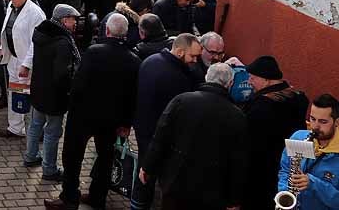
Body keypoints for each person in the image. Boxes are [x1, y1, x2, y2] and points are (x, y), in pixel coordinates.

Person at [45, 13, 140, 210]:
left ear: (107, 30)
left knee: (72, 157)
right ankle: (98, 197)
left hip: (83, 116)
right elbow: (133, 96)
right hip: (112, 120)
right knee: (105, 157)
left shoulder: (94, 52)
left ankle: (69, 197)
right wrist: (125, 124)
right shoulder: (134, 60)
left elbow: (79, 83)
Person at [139, 63, 247, 210]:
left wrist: (147, 167)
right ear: (230, 83)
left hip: (176, 180)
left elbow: (161, 137)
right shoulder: (237, 116)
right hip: (212, 189)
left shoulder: (181, 101)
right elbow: (238, 160)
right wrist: (234, 198)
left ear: (206, 77)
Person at [132, 33, 202, 210]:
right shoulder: (177, 77)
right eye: (193, 56)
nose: (195, 61)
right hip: (160, 134)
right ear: (179, 52)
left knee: (144, 167)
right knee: (152, 173)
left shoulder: (150, 61)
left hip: (143, 127)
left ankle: (138, 204)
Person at [242, 56, 309, 210]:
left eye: (253, 78)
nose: (250, 81)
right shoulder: (299, 98)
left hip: (262, 174)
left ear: (267, 80)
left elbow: (249, 145)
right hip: (289, 168)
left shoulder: (261, 106)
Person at [25, 4, 81, 183]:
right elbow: (62, 73)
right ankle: (49, 169)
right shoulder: (63, 42)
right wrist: (68, 92)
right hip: (54, 95)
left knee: (35, 125)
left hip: (38, 88)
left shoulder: (40, 33)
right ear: (64, 20)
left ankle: (31, 156)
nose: (75, 23)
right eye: (73, 19)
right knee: (52, 132)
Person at [0, 0, 46, 139]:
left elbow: (36, 42)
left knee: (32, 96)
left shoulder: (36, 13)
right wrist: (2, 48)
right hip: (14, 59)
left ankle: (38, 130)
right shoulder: (11, 7)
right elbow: (7, 30)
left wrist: (27, 64)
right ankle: (16, 128)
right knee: (16, 93)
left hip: (27, 62)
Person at [276, 94, 339, 210]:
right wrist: (286, 193)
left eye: (323, 121)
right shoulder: (298, 137)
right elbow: (285, 170)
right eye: (312, 119)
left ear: (336, 122)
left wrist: (313, 183)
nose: (315, 126)